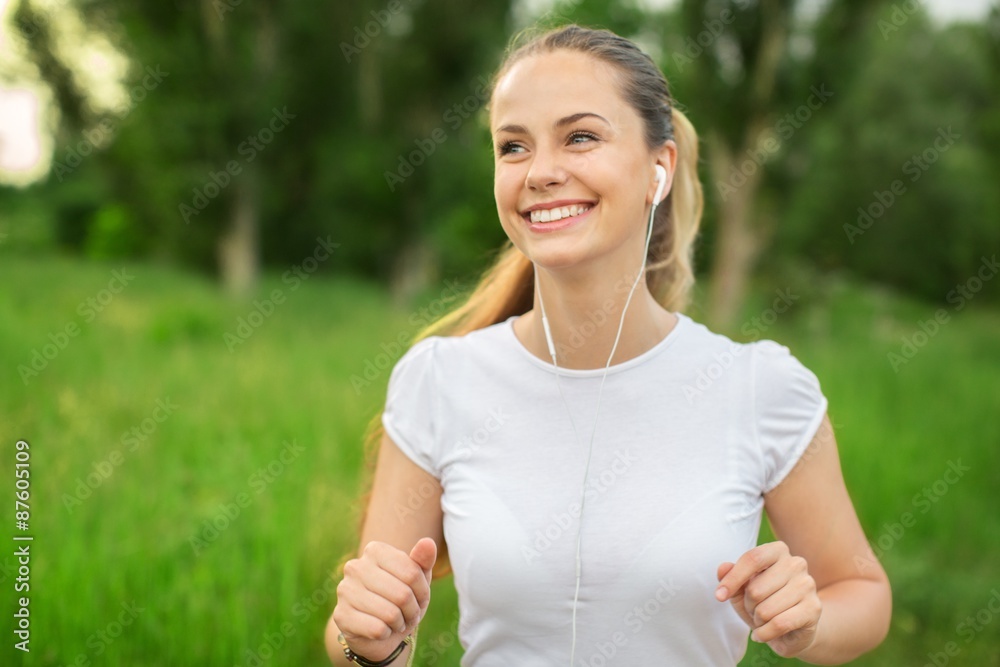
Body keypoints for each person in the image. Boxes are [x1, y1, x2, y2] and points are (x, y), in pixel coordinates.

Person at [326, 24, 891, 667]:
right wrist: (366, 643)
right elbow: (359, 639)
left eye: (581, 137)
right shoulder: (439, 381)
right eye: (513, 147)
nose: (540, 172)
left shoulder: (760, 388)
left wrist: (809, 624)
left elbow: (862, 593)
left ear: (659, 169)